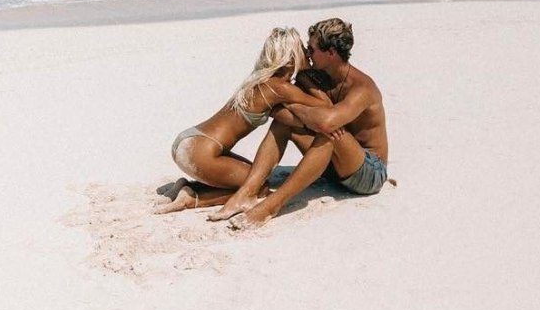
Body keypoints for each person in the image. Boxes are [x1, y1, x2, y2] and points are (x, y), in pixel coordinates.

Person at [213, 17, 390, 229]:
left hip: (368, 173)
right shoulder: (318, 77)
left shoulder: (362, 88)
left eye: (312, 49)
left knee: (329, 133)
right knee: (287, 126)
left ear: (331, 53)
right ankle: (247, 192)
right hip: (334, 167)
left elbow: (325, 123)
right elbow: (277, 112)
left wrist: (297, 109)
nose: (307, 53)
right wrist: (304, 77)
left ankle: (271, 206)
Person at [156, 26, 333, 213]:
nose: (307, 53)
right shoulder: (279, 87)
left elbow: (291, 119)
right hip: (200, 151)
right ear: (291, 58)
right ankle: (193, 198)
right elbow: (326, 106)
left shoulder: (260, 80)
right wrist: (304, 74)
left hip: (191, 140)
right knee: (259, 187)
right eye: (302, 51)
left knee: (252, 177)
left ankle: (187, 185)